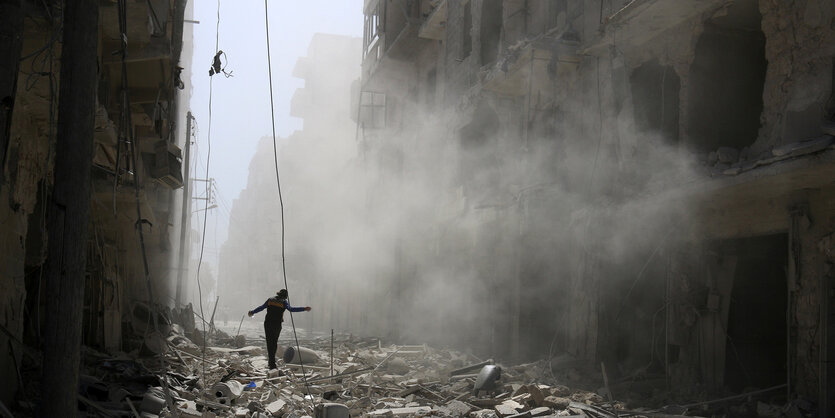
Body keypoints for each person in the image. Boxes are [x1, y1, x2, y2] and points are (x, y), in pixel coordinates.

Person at [248, 289, 311, 369]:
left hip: (267, 323)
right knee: (274, 343)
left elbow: (261, 307)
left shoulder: (270, 300)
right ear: (285, 296)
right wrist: (304, 308)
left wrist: (252, 312)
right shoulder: (283, 302)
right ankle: (272, 363)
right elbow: (291, 309)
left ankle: (271, 362)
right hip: (276, 324)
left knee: (269, 342)